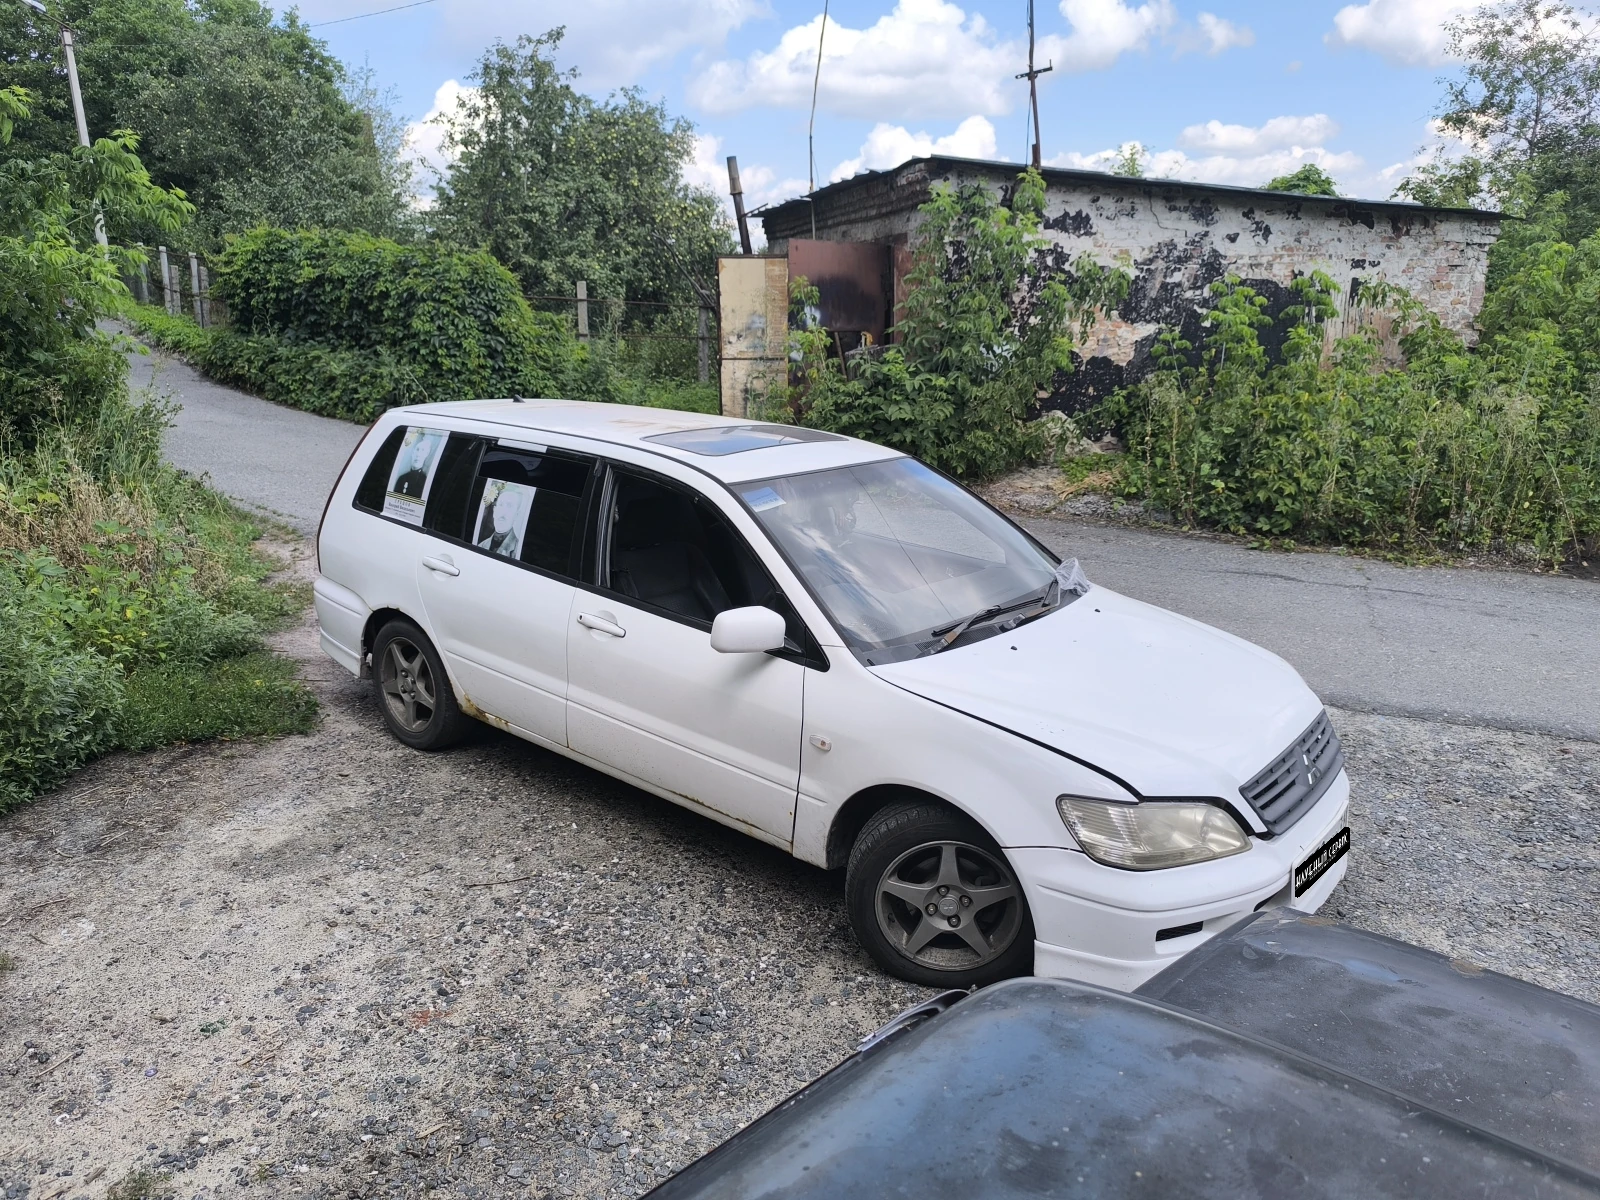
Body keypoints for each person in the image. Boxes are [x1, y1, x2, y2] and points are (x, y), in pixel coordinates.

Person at [477, 484, 522, 558]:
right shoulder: (482, 545)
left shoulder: (517, 550)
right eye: (501, 505)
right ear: (494, 511)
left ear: (516, 515)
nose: (503, 511)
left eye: (509, 506)